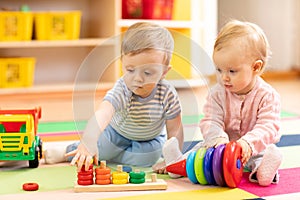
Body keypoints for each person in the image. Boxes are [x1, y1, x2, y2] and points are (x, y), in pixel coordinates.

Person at [62, 22, 184, 172]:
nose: (137, 79)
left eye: (147, 73)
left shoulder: (167, 94)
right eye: (130, 70)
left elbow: (175, 129)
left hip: (150, 139)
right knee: (100, 148)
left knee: (148, 158)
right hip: (116, 133)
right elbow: (103, 113)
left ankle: (110, 156)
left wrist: (172, 159)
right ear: (122, 63)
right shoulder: (123, 88)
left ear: (164, 72)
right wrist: (89, 141)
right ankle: (66, 150)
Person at [199, 19, 282, 186]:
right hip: (222, 149)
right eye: (219, 69)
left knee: (262, 156)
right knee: (200, 153)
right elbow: (210, 120)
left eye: (232, 71)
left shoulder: (267, 95)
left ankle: (264, 172)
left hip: (255, 148)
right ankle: (177, 162)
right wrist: (218, 139)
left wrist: (247, 144)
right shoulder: (217, 93)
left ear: (255, 68)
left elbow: (268, 127)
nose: (224, 77)